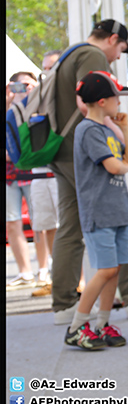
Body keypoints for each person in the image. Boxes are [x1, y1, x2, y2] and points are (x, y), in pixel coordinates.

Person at [49, 19, 128, 325]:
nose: (118, 56)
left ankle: (64, 304)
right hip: (90, 157)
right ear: (112, 39)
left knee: (69, 229)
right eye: (121, 48)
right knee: (119, 218)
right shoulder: (92, 56)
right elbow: (88, 104)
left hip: (64, 152)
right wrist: (121, 140)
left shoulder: (69, 53)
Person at [64, 70, 128, 350]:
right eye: (116, 97)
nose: (120, 103)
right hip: (99, 212)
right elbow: (116, 166)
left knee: (115, 269)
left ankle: (102, 324)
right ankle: (76, 326)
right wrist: (127, 165)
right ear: (103, 101)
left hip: (117, 210)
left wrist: (127, 129)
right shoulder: (88, 130)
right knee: (106, 269)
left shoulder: (108, 129)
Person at [6, 72, 47, 289]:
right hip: (9, 176)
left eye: (27, 84)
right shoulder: (9, 110)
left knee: (39, 222)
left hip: (33, 173)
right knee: (12, 223)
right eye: (17, 85)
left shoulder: (40, 106)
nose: (22, 89)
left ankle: (43, 270)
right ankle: (25, 272)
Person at [30, 50, 63, 297]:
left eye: (50, 67)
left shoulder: (68, 94)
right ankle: (56, 275)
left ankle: (77, 278)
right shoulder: (35, 96)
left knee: (65, 227)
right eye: (43, 67)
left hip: (60, 171)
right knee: (47, 226)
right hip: (37, 171)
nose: (46, 72)